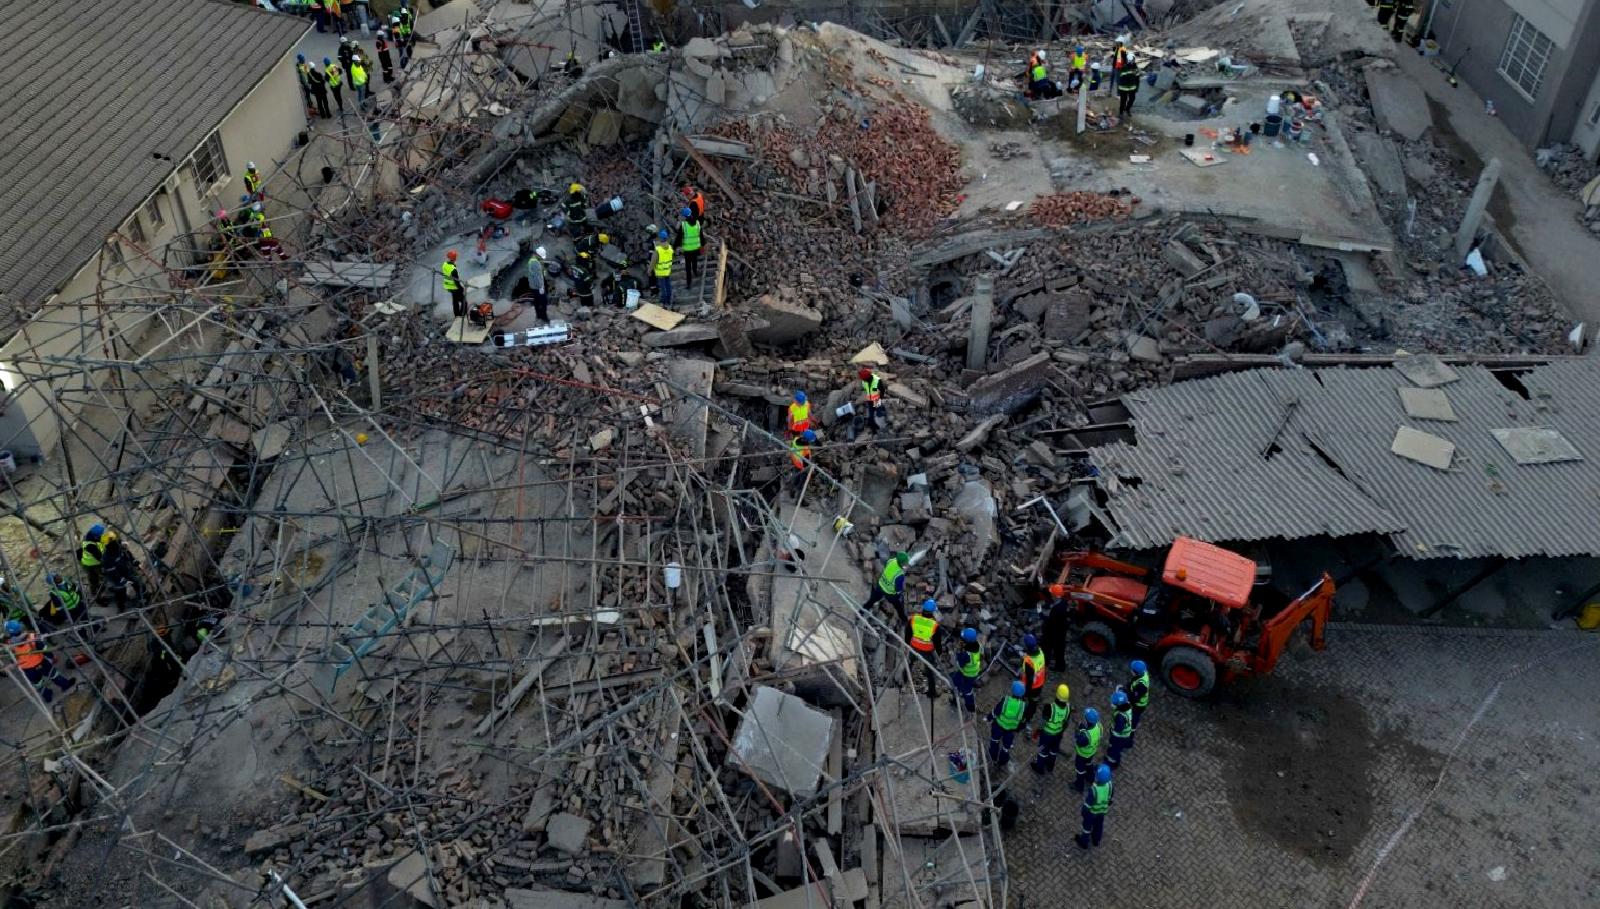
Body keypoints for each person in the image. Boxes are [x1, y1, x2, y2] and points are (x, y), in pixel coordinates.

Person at [7, 621, 74, 704]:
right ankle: (65, 685)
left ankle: (47, 696)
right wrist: (52, 657)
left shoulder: (10, 644)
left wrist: (11, 664)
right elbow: (44, 649)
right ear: (20, 628)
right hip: (41, 663)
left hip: (28, 669)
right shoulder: (31, 637)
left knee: (38, 684)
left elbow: (13, 658)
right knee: (54, 674)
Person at [1030, 684, 1072, 777]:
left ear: (1057, 695)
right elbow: (1066, 723)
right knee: (1053, 751)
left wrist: (1037, 731)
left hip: (1047, 735)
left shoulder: (1049, 708)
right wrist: (1061, 732)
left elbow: (1043, 722)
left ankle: (1039, 768)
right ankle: (1050, 766)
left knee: (1043, 752)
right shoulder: (1068, 708)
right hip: (1058, 735)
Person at [906, 598, 944, 699]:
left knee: (910, 662)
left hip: (914, 646)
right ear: (933, 612)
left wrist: (908, 645)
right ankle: (931, 693)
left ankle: (905, 677)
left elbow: (908, 634)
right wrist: (938, 655)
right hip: (927, 650)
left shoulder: (914, 619)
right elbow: (937, 644)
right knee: (930, 670)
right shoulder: (935, 625)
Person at [988, 681, 1027, 771]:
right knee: (1006, 747)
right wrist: (1018, 729)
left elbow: (996, 711)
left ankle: (992, 758)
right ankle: (1002, 761)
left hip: (998, 726)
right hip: (1010, 731)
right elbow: (1023, 721)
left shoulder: (1005, 700)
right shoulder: (1023, 706)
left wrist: (989, 717)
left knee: (994, 742)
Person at [1076, 764, 1113, 850]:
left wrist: (1083, 813)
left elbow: (1087, 805)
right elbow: (1110, 797)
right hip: (1102, 812)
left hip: (1091, 813)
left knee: (1086, 828)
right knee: (1098, 826)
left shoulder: (1094, 789)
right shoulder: (1110, 785)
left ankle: (1083, 842)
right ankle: (1096, 840)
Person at [862, 551, 909, 617]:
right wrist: (900, 595)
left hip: (880, 585)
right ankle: (903, 618)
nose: (907, 563)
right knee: (898, 605)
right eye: (906, 562)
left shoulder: (891, 561)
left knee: (872, 600)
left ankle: (862, 611)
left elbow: (887, 567)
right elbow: (898, 589)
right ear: (902, 563)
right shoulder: (899, 575)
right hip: (889, 592)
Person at [1041, 583, 1072, 671]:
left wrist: (1040, 614)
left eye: (1052, 593)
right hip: (1062, 629)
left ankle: (1052, 665)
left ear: (1055, 595)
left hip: (1056, 632)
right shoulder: (1064, 602)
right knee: (1059, 649)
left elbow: (1050, 621)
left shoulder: (1057, 610)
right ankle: (1059, 665)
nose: (1050, 594)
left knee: (1050, 647)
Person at [1018, 634, 1047, 727]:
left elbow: (1030, 678)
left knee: (1027, 701)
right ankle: (1029, 716)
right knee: (1034, 701)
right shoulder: (1041, 653)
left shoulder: (1028, 661)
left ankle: (1025, 718)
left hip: (1031, 686)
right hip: (1040, 683)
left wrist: (1027, 691)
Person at [950, 627, 981, 713]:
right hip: (970, 671)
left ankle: (970, 707)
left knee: (967, 691)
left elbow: (959, 665)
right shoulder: (977, 645)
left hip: (968, 675)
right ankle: (955, 697)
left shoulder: (966, 655)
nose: (961, 640)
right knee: (955, 681)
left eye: (962, 639)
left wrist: (957, 654)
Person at [1072, 707, 1103, 792]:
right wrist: (1082, 727)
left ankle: (1079, 786)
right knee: (1089, 764)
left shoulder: (1085, 736)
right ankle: (1090, 778)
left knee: (1080, 769)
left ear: (1087, 721)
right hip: (1092, 752)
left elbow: (1078, 741)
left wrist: (1077, 730)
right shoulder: (1099, 726)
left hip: (1082, 755)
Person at [80, 524, 112, 598]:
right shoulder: (90, 545)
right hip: (93, 564)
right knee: (97, 579)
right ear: (96, 535)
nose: (102, 535)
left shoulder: (91, 536)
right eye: (101, 534)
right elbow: (100, 557)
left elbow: (102, 540)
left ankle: (96, 591)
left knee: (94, 579)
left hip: (88, 562)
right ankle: (97, 593)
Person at [1107, 688, 1135, 766]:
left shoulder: (1121, 717)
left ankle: (1112, 762)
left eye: (1114, 704)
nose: (1112, 704)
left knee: (1114, 750)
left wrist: (1113, 734)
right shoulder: (1127, 704)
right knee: (1115, 747)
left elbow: (1118, 730)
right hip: (1123, 735)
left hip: (1120, 736)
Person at [677, 207, 703, 285]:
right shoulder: (697, 222)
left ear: (685, 216)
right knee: (694, 261)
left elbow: (679, 237)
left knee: (688, 266)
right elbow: (700, 235)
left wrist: (675, 247)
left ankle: (689, 283)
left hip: (688, 249)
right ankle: (695, 272)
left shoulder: (684, 225)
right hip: (695, 247)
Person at [526, 246, 550, 324]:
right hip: (537, 286)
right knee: (544, 302)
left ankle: (538, 314)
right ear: (538, 255)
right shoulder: (534, 263)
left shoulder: (533, 259)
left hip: (533, 285)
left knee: (536, 300)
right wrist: (540, 287)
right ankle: (543, 316)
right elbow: (536, 277)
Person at [441, 250, 466, 320]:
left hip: (448, 286)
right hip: (454, 286)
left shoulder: (445, 264)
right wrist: (461, 288)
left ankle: (457, 315)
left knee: (455, 300)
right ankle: (462, 315)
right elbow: (456, 281)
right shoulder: (453, 270)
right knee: (464, 301)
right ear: (454, 258)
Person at [652, 230, 674, 306]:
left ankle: (664, 301)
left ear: (660, 238)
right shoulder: (670, 248)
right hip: (667, 270)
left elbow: (653, 261)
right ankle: (669, 299)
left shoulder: (658, 249)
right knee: (668, 285)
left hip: (660, 271)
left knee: (663, 286)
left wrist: (649, 270)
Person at [1128, 659, 1151, 729]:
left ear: (1136, 673)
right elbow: (1134, 682)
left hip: (1139, 705)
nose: (1130, 670)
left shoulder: (1142, 685)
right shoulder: (1143, 672)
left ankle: (1132, 729)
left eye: (1131, 670)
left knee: (1135, 717)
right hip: (1137, 699)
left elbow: (1134, 699)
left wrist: (1127, 699)